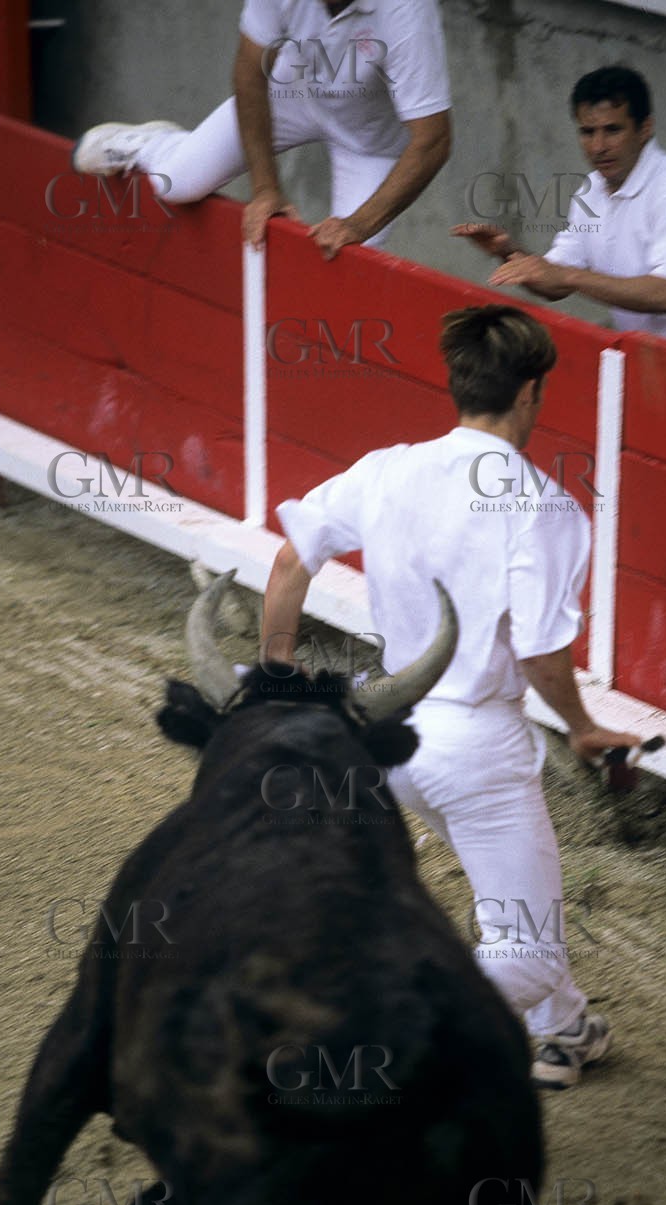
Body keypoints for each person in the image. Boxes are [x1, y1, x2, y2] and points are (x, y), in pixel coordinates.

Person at [261, 304, 643, 1088]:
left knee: (510, 900)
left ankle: (565, 1033)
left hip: (391, 734)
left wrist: (276, 669)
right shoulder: (543, 506)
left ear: (457, 383)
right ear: (532, 392)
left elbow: (292, 561)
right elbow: (538, 651)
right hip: (478, 749)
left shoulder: (388, 468)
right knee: (525, 952)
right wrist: (580, 726)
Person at [72, 0, 452, 261]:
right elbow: (250, 72)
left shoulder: (407, 10)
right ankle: (151, 144)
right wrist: (266, 189)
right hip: (293, 89)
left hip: (370, 141)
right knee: (178, 182)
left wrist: (357, 225)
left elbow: (432, 140)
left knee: (350, 257)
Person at [452, 65, 666, 364]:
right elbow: (553, 280)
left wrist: (568, 276)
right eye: (587, 132)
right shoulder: (590, 191)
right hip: (654, 372)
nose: (598, 146)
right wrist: (508, 253)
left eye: (612, 130)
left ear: (645, 129)